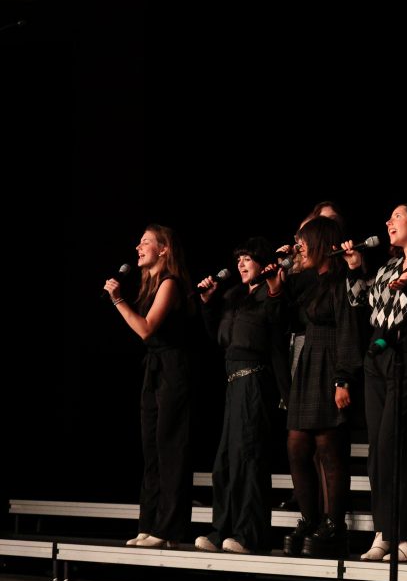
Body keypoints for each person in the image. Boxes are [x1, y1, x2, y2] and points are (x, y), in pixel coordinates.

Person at [345, 202, 407, 563]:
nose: (388, 221)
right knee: (376, 452)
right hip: (377, 356)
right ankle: (385, 530)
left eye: (397, 216)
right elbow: (359, 301)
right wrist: (355, 268)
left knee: (394, 444)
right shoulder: (385, 267)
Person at [194, 237, 289, 554]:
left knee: (250, 459)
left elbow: (278, 334)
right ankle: (222, 529)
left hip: (256, 382)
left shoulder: (270, 294)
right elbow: (219, 338)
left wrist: (276, 291)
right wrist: (208, 303)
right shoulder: (233, 296)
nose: (242, 264)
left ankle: (250, 535)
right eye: (239, 260)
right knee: (225, 462)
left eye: (248, 259)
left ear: (263, 262)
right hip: (233, 384)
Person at [103, 224, 193, 549]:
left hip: (173, 369)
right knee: (151, 448)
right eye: (139, 242)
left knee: (170, 447)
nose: (138, 247)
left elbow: (147, 329)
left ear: (164, 249)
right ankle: (149, 523)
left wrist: (118, 301)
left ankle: (168, 528)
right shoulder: (150, 284)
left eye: (145, 242)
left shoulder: (170, 283)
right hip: (154, 369)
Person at [280, 216, 364, 557]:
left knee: (329, 448)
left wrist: (342, 378)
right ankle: (309, 518)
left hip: (331, 361)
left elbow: (348, 329)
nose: (300, 248)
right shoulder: (308, 280)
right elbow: (281, 311)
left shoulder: (342, 280)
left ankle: (334, 524)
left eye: (305, 243)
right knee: (297, 444)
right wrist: (283, 273)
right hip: (309, 359)